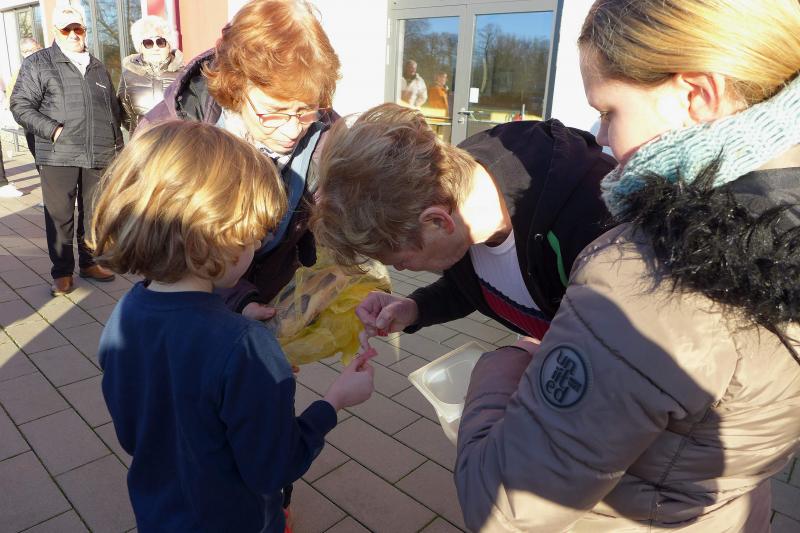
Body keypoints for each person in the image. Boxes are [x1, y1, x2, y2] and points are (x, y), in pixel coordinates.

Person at [452, 0, 800, 531]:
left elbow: (503, 507)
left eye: (609, 111)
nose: (602, 137)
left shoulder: (645, 276)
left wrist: (497, 370)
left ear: (697, 95)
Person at [92, 120, 375, 532]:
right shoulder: (245, 346)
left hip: (158, 514)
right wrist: (334, 401)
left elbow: (135, 431)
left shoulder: (125, 315)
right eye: (251, 234)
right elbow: (274, 467)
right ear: (211, 236)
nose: (257, 245)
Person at [311, 102, 615, 344]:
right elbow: (476, 285)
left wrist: (522, 362)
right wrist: (415, 309)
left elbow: (618, 347)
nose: (401, 270)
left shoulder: (589, 217)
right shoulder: (460, 198)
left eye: (402, 260)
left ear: (437, 221)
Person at [142, 0, 340, 322]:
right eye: (274, 112)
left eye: (306, 110)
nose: (293, 129)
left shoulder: (328, 135)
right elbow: (161, 244)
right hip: (188, 306)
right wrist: (237, 299)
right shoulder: (170, 132)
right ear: (236, 86)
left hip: (273, 297)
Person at [10, 3, 122, 296]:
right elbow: (20, 105)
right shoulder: (39, 63)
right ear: (56, 32)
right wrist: (54, 130)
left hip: (98, 152)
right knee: (60, 215)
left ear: (85, 30)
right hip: (58, 153)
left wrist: (118, 148)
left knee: (94, 213)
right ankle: (61, 272)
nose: (73, 34)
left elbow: (112, 110)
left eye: (78, 28)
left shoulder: (97, 66)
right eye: (66, 29)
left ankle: (89, 262)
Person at [118, 15, 184, 133]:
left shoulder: (183, 74)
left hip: (175, 141)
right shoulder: (128, 77)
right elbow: (125, 117)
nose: (155, 48)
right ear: (140, 47)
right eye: (148, 43)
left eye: (160, 42)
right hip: (142, 141)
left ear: (169, 45)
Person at [1, 37, 43, 199]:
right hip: (31, 122)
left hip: (51, 121)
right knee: (39, 158)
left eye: (33, 49)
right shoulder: (20, 71)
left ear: (40, 47)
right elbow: (12, 96)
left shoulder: (51, 65)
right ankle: (51, 195)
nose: (30, 54)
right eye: (26, 51)